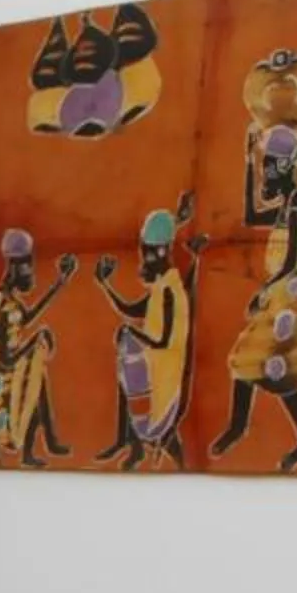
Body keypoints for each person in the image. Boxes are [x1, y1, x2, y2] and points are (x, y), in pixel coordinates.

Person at [208, 119, 297, 471]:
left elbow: (293, 257)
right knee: (251, 354)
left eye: (265, 166)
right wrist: (247, 161)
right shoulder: (287, 202)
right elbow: (249, 214)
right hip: (284, 286)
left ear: (282, 167)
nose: (263, 175)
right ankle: (238, 426)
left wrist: (264, 291)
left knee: (280, 360)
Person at [91, 197, 196, 469]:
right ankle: (131, 444)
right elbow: (131, 309)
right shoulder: (161, 287)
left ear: (161, 253)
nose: (144, 259)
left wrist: (132, 334)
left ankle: (140, 445)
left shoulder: (171, 290)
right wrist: (104, 284)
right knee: (127, 352)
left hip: (165, 379)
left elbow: (163, 342)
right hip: (157, 369)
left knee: (130, 350)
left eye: (148, 253)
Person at [0, 230, 78, 467]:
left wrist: (59, 282)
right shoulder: (2, 305)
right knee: (36, 360)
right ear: (16, 268)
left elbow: (26, 319)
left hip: (8, 383)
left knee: (36, 364)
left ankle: (44, 443)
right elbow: (6, 360)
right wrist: (36, 340)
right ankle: (42, 443)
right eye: (28, 267)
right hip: (1, 403)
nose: (31, 273)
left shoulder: (9, 301)